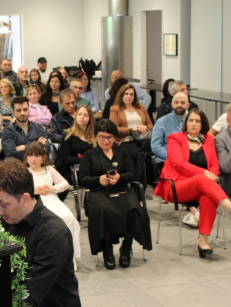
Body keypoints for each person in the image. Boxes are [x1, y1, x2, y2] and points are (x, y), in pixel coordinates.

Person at [0, 158, 83, 307]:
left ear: (25, 199)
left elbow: (28, 296)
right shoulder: (9, 220)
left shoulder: (52, 234)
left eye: (2, 204)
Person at [154, 109, 231, 258]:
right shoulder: (175, 138)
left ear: (203, 124)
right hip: (176, 186)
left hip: (202, 186)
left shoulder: (208, 139)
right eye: (191, 120)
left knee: (209, 197)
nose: (194, 124)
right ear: (186, 123)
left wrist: (210, 174)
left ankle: (203, 242)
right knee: (201, 179)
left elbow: (214, 164)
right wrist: (205, 173)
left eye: (198, 121)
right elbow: (179, 164)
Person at [79, 119, 152, 269]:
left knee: (134, 209)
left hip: (122, 190)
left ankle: (127, 246)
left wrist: (120, 177)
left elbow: (131, 174)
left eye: (110, 137)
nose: (106, 141)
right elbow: (83, 180)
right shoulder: (89, 155)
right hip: (99, 192)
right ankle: (107, 249)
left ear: (115, 138)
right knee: (107, 210)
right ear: (96, 137)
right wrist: (98, 179)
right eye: (102, 137)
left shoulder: (122, 153)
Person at [25, 142, 81, 263]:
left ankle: (69, 257)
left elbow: (65, 184)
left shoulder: (49, 170)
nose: (33, 159)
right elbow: (17, 189)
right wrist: (32, 190)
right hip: (34, 201)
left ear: (43, 157)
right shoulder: (24, 172)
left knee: (68, 218)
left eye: (37, 156)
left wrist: (53, 189)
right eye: (30, 155)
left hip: (51, 199)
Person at [151, 92, 200, 228]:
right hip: (168, 162)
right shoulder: (162, 122)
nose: (179, 105)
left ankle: (193, 212)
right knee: (187, 176)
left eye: (182, 102)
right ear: (172, 104)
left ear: (188, 105)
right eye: (176, 102)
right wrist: (174, 157)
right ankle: (195, 211)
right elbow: (155, 146)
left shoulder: (194, 122)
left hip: (190, 161)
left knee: (200, 174)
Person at [110, 83, 153, 166]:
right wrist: (132, 129)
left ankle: (151, 174)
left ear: (134, 96)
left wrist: (144, 127)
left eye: (131, 94)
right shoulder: (115, 108)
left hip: (143, 138)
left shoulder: (141, 107)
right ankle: (139, 174)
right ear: (121, 95)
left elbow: (150, 125)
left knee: (153, 152)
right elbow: (114, 129)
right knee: (138, 154)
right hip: (126, 140)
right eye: (126, 94)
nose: (128, 96)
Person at [55, 105, 96, 185]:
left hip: (89, 168)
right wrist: (85, 160)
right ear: (76, 116)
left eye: (85, 115)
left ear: (90, 118)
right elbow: (65, 159)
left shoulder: (93, 136)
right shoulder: (68, 135)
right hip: (70, 169)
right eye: (79, 114)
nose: (82, 117)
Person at [1, 96, 50, 161]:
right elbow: (10, 154)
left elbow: (46, 149)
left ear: (29, 110)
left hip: (38, 165)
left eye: (25, 109)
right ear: (13, 112)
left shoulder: (38, 127)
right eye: (18, 110)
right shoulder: (7, 131)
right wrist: (37, 146)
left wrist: (23, 147)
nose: (22, 113)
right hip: (17, 166)